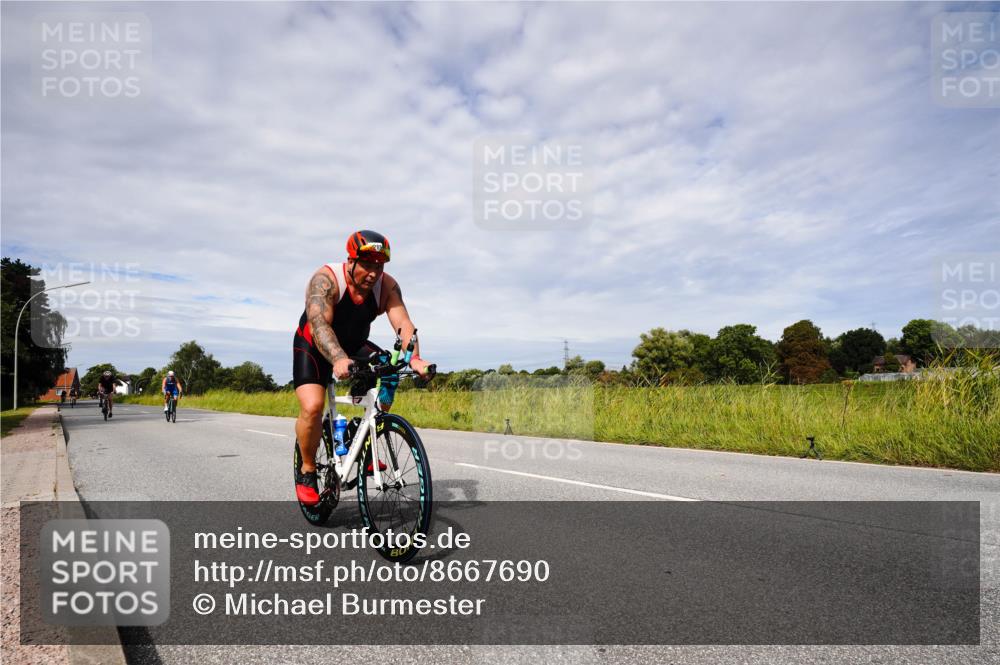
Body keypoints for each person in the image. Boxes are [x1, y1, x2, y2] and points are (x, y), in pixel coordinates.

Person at [292, 230, 433, 505]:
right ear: (351, 261)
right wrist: (338, 359)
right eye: (367, 265)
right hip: (314, 343)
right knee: (312, 406)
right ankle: (307, 470)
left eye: (379, 266)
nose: (373, 273)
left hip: (354, 344)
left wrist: (415, 358)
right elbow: (319, 325)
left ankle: (363, 435)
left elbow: (404, 323)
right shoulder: (326, 280)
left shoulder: (387, 287)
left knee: (389, 370)